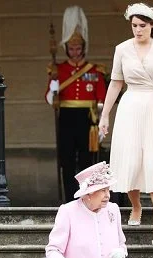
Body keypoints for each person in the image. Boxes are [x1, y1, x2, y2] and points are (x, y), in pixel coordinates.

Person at [99, 2, 153, 245]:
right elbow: (116, 82)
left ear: (152, 26)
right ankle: (136, 206)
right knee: (130, 160)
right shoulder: (122, 49)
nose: (137, 30)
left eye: (142, 25)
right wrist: (105, 115)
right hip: (131, 105)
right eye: (134, 25)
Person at [45, 6, 107, 201]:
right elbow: (49, 98)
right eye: (71, 48)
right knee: (67, 160)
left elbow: (102, 99)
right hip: (67, 117)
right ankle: (71, 197)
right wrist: (54, 86)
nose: (75, 52)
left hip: (88, 119)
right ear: (66, 49)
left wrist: (99, 119)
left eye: (78, 48)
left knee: (88, 160)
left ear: (83, 48)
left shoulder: (95, 70)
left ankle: (89, 195)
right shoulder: (58, 69)